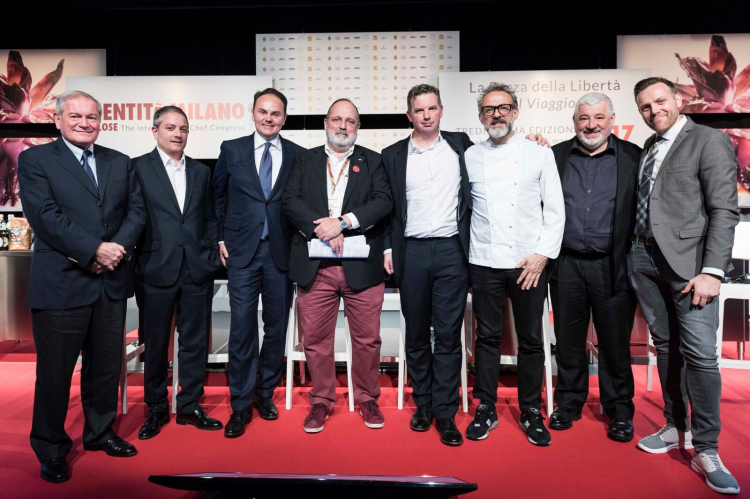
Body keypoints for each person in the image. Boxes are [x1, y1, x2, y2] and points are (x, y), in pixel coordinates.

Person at [18, 90, 145, 483]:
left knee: (105, 368)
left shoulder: (119, 162)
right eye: (75, 116)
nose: (85, 122)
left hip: (110, 282)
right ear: (57, 119)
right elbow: (44, 216)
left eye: (92, 117)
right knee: (55, 374)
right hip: (62, 283)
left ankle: (100, 433)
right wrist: (93, 250)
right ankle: (51, 448)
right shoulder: (35, 159)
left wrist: (116, 249)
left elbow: (136, 211)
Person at [629, 77, 740, 494]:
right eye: (644, 106)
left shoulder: (708, 140)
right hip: (643, 259)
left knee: (700, 356)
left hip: (690, 268)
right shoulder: (649, 147)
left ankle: (707, 447)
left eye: (660, 101)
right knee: (665, 346)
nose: (653, 110)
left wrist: (712, 271)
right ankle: (676, 427)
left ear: (678, 99)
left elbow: (724, 211)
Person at [282, 98, 392, 433]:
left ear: (358, 127)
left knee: (367, 339)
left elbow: (383, 202)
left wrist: (342, 223)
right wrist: (324, 229)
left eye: (350, 121)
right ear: (326, 122)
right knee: (316, 339)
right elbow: (290, 201)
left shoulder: (373, 161)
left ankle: (367, 398)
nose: (342, 126)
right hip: (315, 263)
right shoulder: (304, 159)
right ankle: (321, 401)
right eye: (336, 119)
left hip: (362, 264)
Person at [464, 83, 564, 446]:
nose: (497, 115)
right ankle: (486, 407)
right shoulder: (470, 155)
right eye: (489, 109)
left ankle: (531, 410)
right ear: (480, 117)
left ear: (516, 113)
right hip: (485, 260)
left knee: (532, 340)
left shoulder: (538, 153)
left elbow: (555, 208)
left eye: (504, 108)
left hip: (528, 262)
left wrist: (542, 254)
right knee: (486, 337)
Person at [381, 84, 473, 446]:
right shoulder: (392, 155)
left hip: (452, 251)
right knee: (417, 335)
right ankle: (423, 405)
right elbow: (386, 208)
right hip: (412, 253)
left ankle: (446, 414)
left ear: (441, 110)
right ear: (409, 116)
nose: (426, 115)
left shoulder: (462, 145)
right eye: (419, 110)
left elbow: (501, 156)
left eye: (432, 108)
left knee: (449, 336)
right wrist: (388, 248)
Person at [548, 93, 641, 442]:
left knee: (615, 344)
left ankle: (619, 410)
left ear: (612, 119)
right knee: (568, 342)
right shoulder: (554, 156)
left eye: (599, 117)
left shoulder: (633, 157)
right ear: (574, 122)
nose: (591, 125)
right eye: (584, 118)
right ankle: (568, 403)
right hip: (566, 264)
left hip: (612, 265)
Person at [213, 89, 305, 437]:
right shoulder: (231, 149)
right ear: (253, 113)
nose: (269, 118)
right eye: (263, 112)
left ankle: (264, 392)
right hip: (241, 252)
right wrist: (221, 237)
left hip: (280, 252)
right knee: (241, 329)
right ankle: (240, 403)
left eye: (276, 113)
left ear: (284, 118)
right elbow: (217, 196)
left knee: (276, 328)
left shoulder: (297, 154)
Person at [133, 106, 223, 439]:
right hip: (155, 268)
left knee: (195, 342)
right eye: (170, 127)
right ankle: (156, 407)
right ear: (154, 131)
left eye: (183, 128)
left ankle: (189, 405)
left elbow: (210, 218)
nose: (177, 134)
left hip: (197, 269)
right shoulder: (137, 168)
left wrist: (211, 252)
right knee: (155, 344)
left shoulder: (201, 172)